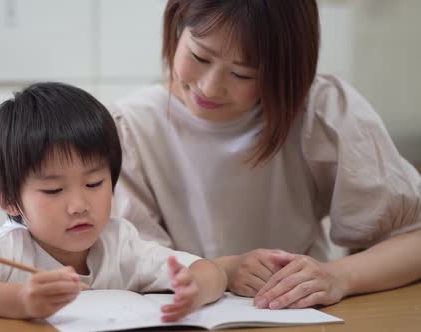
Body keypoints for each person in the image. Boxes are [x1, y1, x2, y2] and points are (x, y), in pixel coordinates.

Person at [110, 0, 421, 310]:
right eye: (199, 56)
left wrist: (338, 276)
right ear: (177, 28)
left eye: (243, 74)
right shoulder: (130, 128)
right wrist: (222, 270)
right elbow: (125, 264)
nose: (210, 87)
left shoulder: (322, 111)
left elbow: (413, 238)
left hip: (299, 315)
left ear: (287, 70)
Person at [0, 82, 227, 321]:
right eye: (53, 191)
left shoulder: (119, 242)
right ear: (9, 199)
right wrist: (20, 300)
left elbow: (208, 272)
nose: (79, 205)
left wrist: (195, 289)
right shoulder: (6, 248)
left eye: (94, 183)